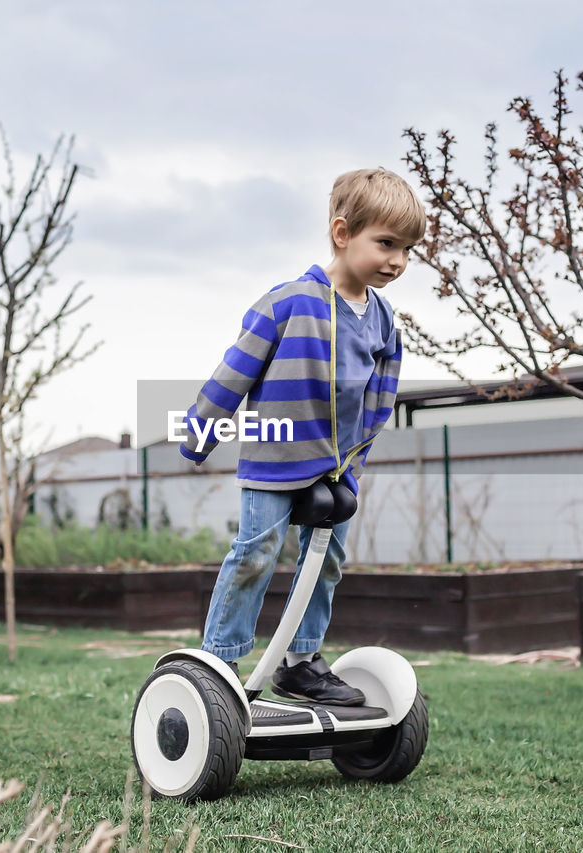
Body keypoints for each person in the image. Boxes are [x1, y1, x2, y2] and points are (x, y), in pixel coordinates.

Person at [178, 167, 425, 706]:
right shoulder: (289, 302)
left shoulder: (383, 321)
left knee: (326, 561)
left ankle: (302, 661)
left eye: (408, 250)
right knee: (255, 553)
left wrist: (356, 462)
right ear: (343, 233)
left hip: (335, 470)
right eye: (386, 243)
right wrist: (199, 432)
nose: (398, 261)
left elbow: (380, 398)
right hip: (274, 461)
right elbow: (234, 371)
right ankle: (218, 662)